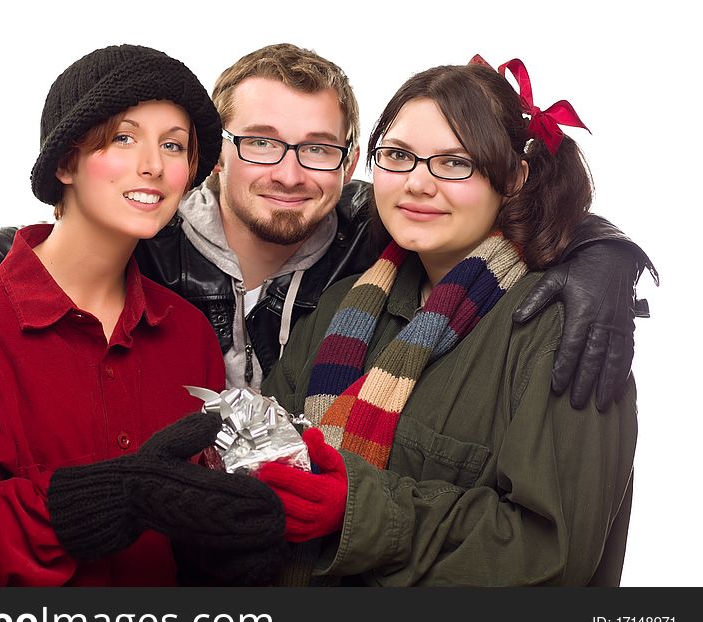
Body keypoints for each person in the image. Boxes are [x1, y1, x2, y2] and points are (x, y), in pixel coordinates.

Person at [0, 44, 655, 468]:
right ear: (215, 154)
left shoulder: (375, 230)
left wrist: (602, 254)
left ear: (351, 162)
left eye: (318, 148)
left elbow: (489, 196)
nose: (287, 171)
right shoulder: (146, 228)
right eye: (260, 142)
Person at [0, 44, 286, 586]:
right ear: (64, 161)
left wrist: (230, 544)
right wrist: (119, 496)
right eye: (124, 138)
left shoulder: (187, 332)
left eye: (174, 146)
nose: (154, 165)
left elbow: (184, 534)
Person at [257, 56, 639, 586]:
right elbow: (262, 450)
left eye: (455, 162)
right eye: (398, 156)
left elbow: (551, 558)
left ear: (515, 176)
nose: (417, 184)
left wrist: (359, 512)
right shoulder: (341, 304)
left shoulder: (557, 327)